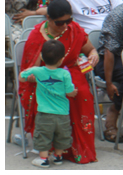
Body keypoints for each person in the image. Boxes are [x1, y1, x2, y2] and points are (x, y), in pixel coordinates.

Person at [18, 0, 98, 164]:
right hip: (44, 76)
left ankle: (74, 148)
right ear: (48, 18)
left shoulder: (74, 29)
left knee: (81, 92)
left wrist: (94, 53)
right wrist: (38, 77)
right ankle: (51, 147)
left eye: (68, 21)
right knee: (52, 92)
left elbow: (88, 48)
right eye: (59, 22)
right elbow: (29, 71)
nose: (64, 26)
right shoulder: (36, 36)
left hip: (70, 70)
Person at [19, 38, 79, 168]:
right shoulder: (65, 73)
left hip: (44, 113)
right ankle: (58, 157)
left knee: (43, 135)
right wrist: (73, 92)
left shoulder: (37, 71)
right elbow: (69, 91)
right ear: (62, 59)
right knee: (61, 135)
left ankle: (43, 159)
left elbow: (21, 77)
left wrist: (30, 76)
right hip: (62, 113)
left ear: (41, 56)